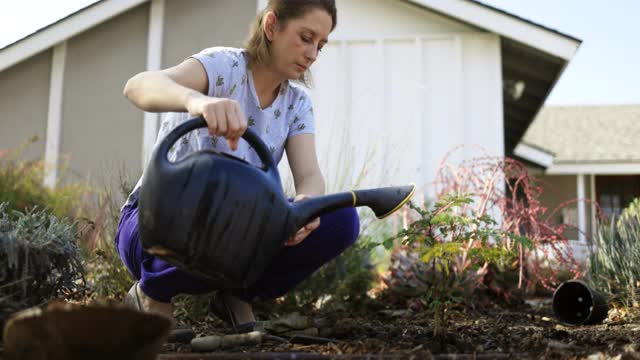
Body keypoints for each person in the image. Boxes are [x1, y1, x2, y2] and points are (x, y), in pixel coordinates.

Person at [116, 0, 360, 333]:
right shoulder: (223, 66)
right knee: (219, 215)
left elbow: (309, 175)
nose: (313, 52)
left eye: (321, 44)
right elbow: (137, 86)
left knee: (341, 219)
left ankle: (236, 294)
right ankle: (151, 292)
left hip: (231, 233)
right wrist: (197, 101)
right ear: (272, 26)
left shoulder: (297, 103)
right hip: (153, 225)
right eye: (306, 37)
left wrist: (306, 203)